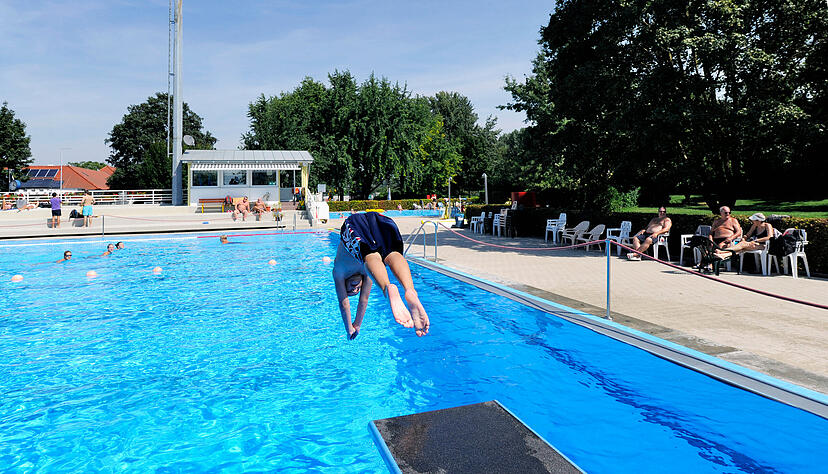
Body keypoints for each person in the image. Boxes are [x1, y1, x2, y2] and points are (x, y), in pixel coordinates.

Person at [333, 211, 429, 340]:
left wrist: (350, 328)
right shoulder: (370, 275)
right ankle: (410, 290)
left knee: (370, 255)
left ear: (344, 285)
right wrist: (358, 325)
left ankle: (387, 288)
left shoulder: (339, 272)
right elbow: (364, 300)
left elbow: (344, 304)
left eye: (350, 290)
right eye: (357, 290)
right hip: (378, 220)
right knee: (391, 253)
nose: (355, 288)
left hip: (353, 225)